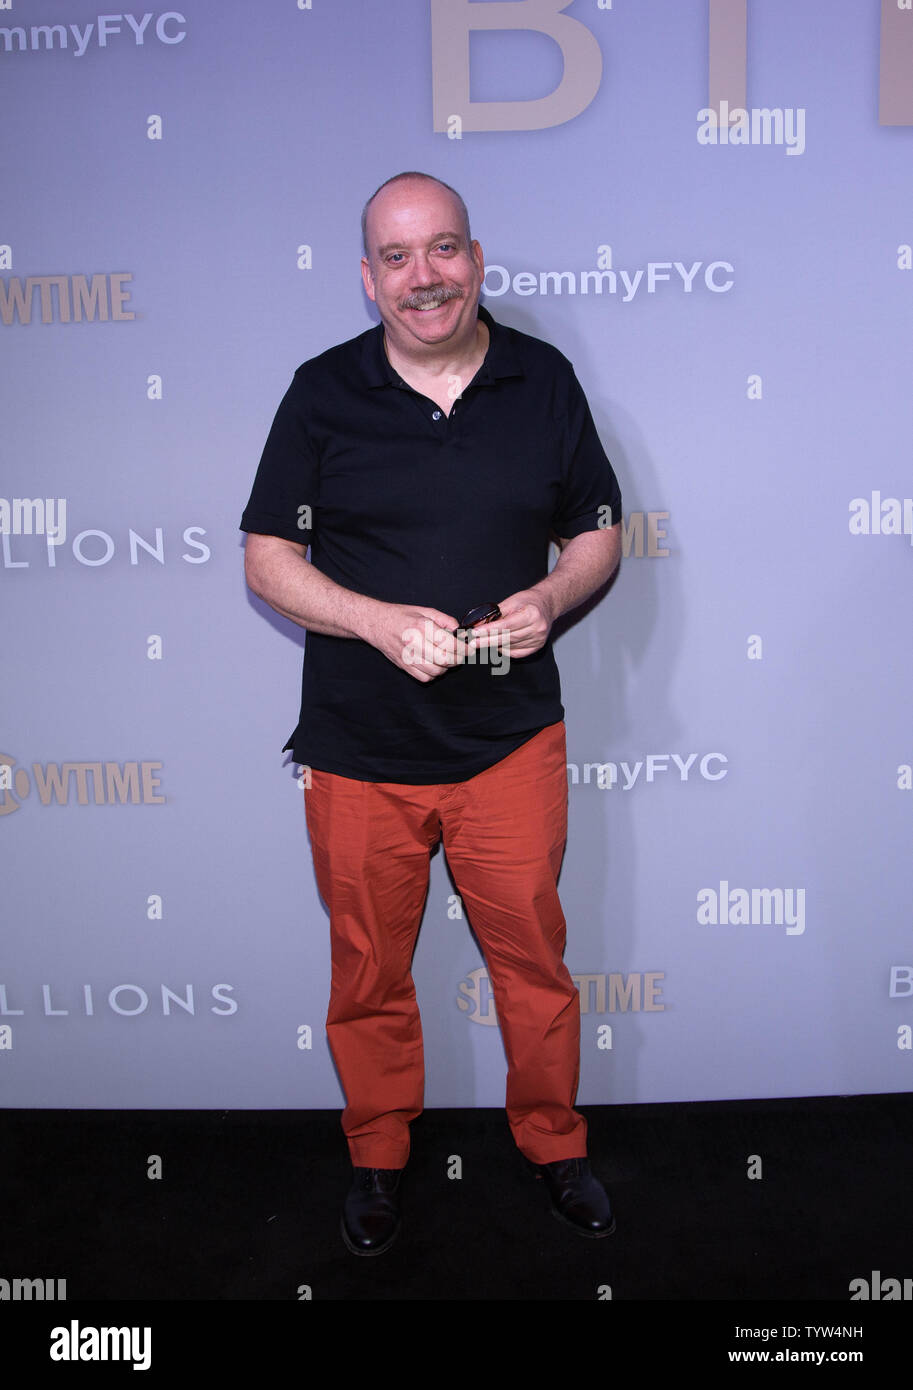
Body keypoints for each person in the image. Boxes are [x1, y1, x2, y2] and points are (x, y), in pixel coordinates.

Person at [240, 171, 623, 1255]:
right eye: (398, 258)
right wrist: (367, 618)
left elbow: (597, 529)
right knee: (367, 973)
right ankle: (376, 1157)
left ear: (476, 258)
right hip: (359, 751)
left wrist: (549, 597)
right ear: (368, 280)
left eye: (442, 250)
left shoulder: (542, 381)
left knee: (534, 967)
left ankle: (554, 1146)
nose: (425, 278)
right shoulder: (320, 392)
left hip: (509, 742)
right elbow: (268, 559)